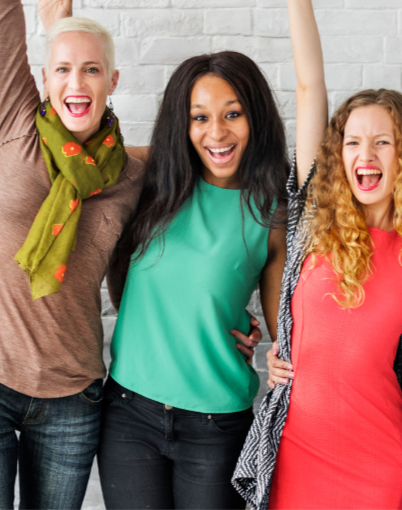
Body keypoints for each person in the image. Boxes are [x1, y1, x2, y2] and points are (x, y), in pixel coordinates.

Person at [0, 0, 261, 508]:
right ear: (42, 77)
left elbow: (198, 158)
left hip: (73, 393)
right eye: (62, 70)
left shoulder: (131, 172)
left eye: (91, 71)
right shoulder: (16, 123)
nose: (76, 82)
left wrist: (230, 320)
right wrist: (56, 25)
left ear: (114, 81)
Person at [232, 0, 402, 508]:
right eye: (352, 141)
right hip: (300, 450)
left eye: (382, 141)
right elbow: (309, 87)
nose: (364, 155)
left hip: (380, 457)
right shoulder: (311, 217)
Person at [97, 51, 288, 509]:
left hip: (216, 425)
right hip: (128, 413)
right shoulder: (149, 180)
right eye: (199, 117)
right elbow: (81, 152)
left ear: (255, 118)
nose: (216, 132)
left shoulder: (271, 210)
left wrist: (279, 353)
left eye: (233, 114)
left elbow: (287, 327)